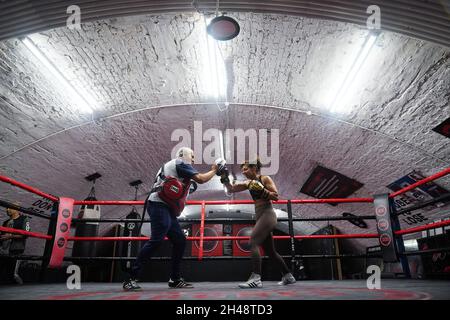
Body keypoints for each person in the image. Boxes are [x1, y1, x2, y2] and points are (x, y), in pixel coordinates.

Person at [123, 147, 224, 291]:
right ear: (183, 154)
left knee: (180, 240)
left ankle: (175, 279)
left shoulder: (173, 167)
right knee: (157, 239)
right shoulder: (180, 163)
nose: (194, 159)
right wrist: (215, 169)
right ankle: (130, 278)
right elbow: (201, 179)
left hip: (165, 208)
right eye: (192, 156)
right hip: (159, 205)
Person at [220, 158, 296, 288]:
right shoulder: (248, 183)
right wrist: (224, 177)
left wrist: (262, 190)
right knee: (271, 252)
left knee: (253, 241)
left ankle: (256, 278)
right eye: (242, 169)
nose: (243, 172)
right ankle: (288, 276)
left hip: (268, 214)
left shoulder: (265, 179)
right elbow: (231, 189)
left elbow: (276, 196)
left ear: (254, 168)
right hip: (260, 215)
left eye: (245, 169)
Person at [0, 205, 30, 285]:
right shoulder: (5, 222)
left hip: (16, 249)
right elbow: (2, 236)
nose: (8, 210)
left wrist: (10, 236)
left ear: (17, 209)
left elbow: (26, 234)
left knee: (14, 274)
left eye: (10, 208)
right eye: (7, 208)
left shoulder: (25, 219)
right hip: (4, 249)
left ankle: (22, 291)